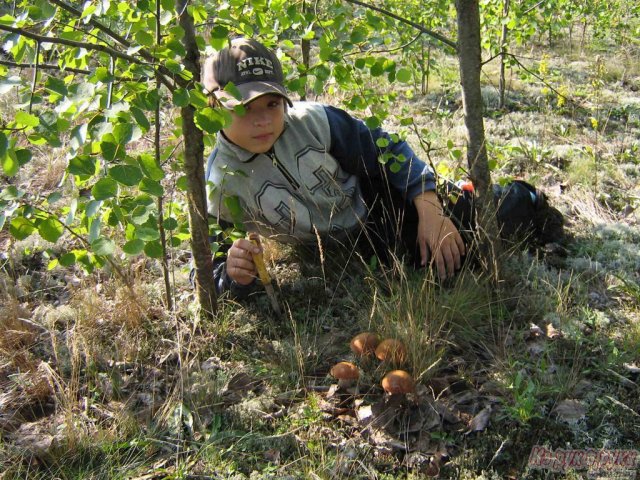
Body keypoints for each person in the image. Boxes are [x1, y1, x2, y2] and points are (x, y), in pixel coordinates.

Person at [202, 37, 468, 297]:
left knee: (467, 219)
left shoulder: (313, 122)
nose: (262, 120)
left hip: (379, 204)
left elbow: (388, 149)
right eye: (243, 107)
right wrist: (233, 275)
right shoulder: (221, 180)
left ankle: (493, 195)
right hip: (345, 248)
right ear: (212, 108)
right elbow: (208, 274)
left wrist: (431, 210)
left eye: (272, 103)